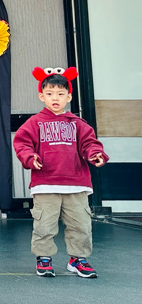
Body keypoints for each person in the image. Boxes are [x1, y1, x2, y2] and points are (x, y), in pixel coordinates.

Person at [13, 67, 107, 279]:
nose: (55, 98)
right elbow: (22, 144)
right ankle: (43, 258)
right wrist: (30, 157)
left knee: (80, 224)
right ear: (41, 96)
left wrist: (96, 154)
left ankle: (78, 259)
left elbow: (90, 144)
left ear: (69, 97)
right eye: (50, 93)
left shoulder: (78, 124)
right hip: (46, 184)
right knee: (44, 225)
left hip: (76, 184)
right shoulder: (34, 123)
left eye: (60, 94)